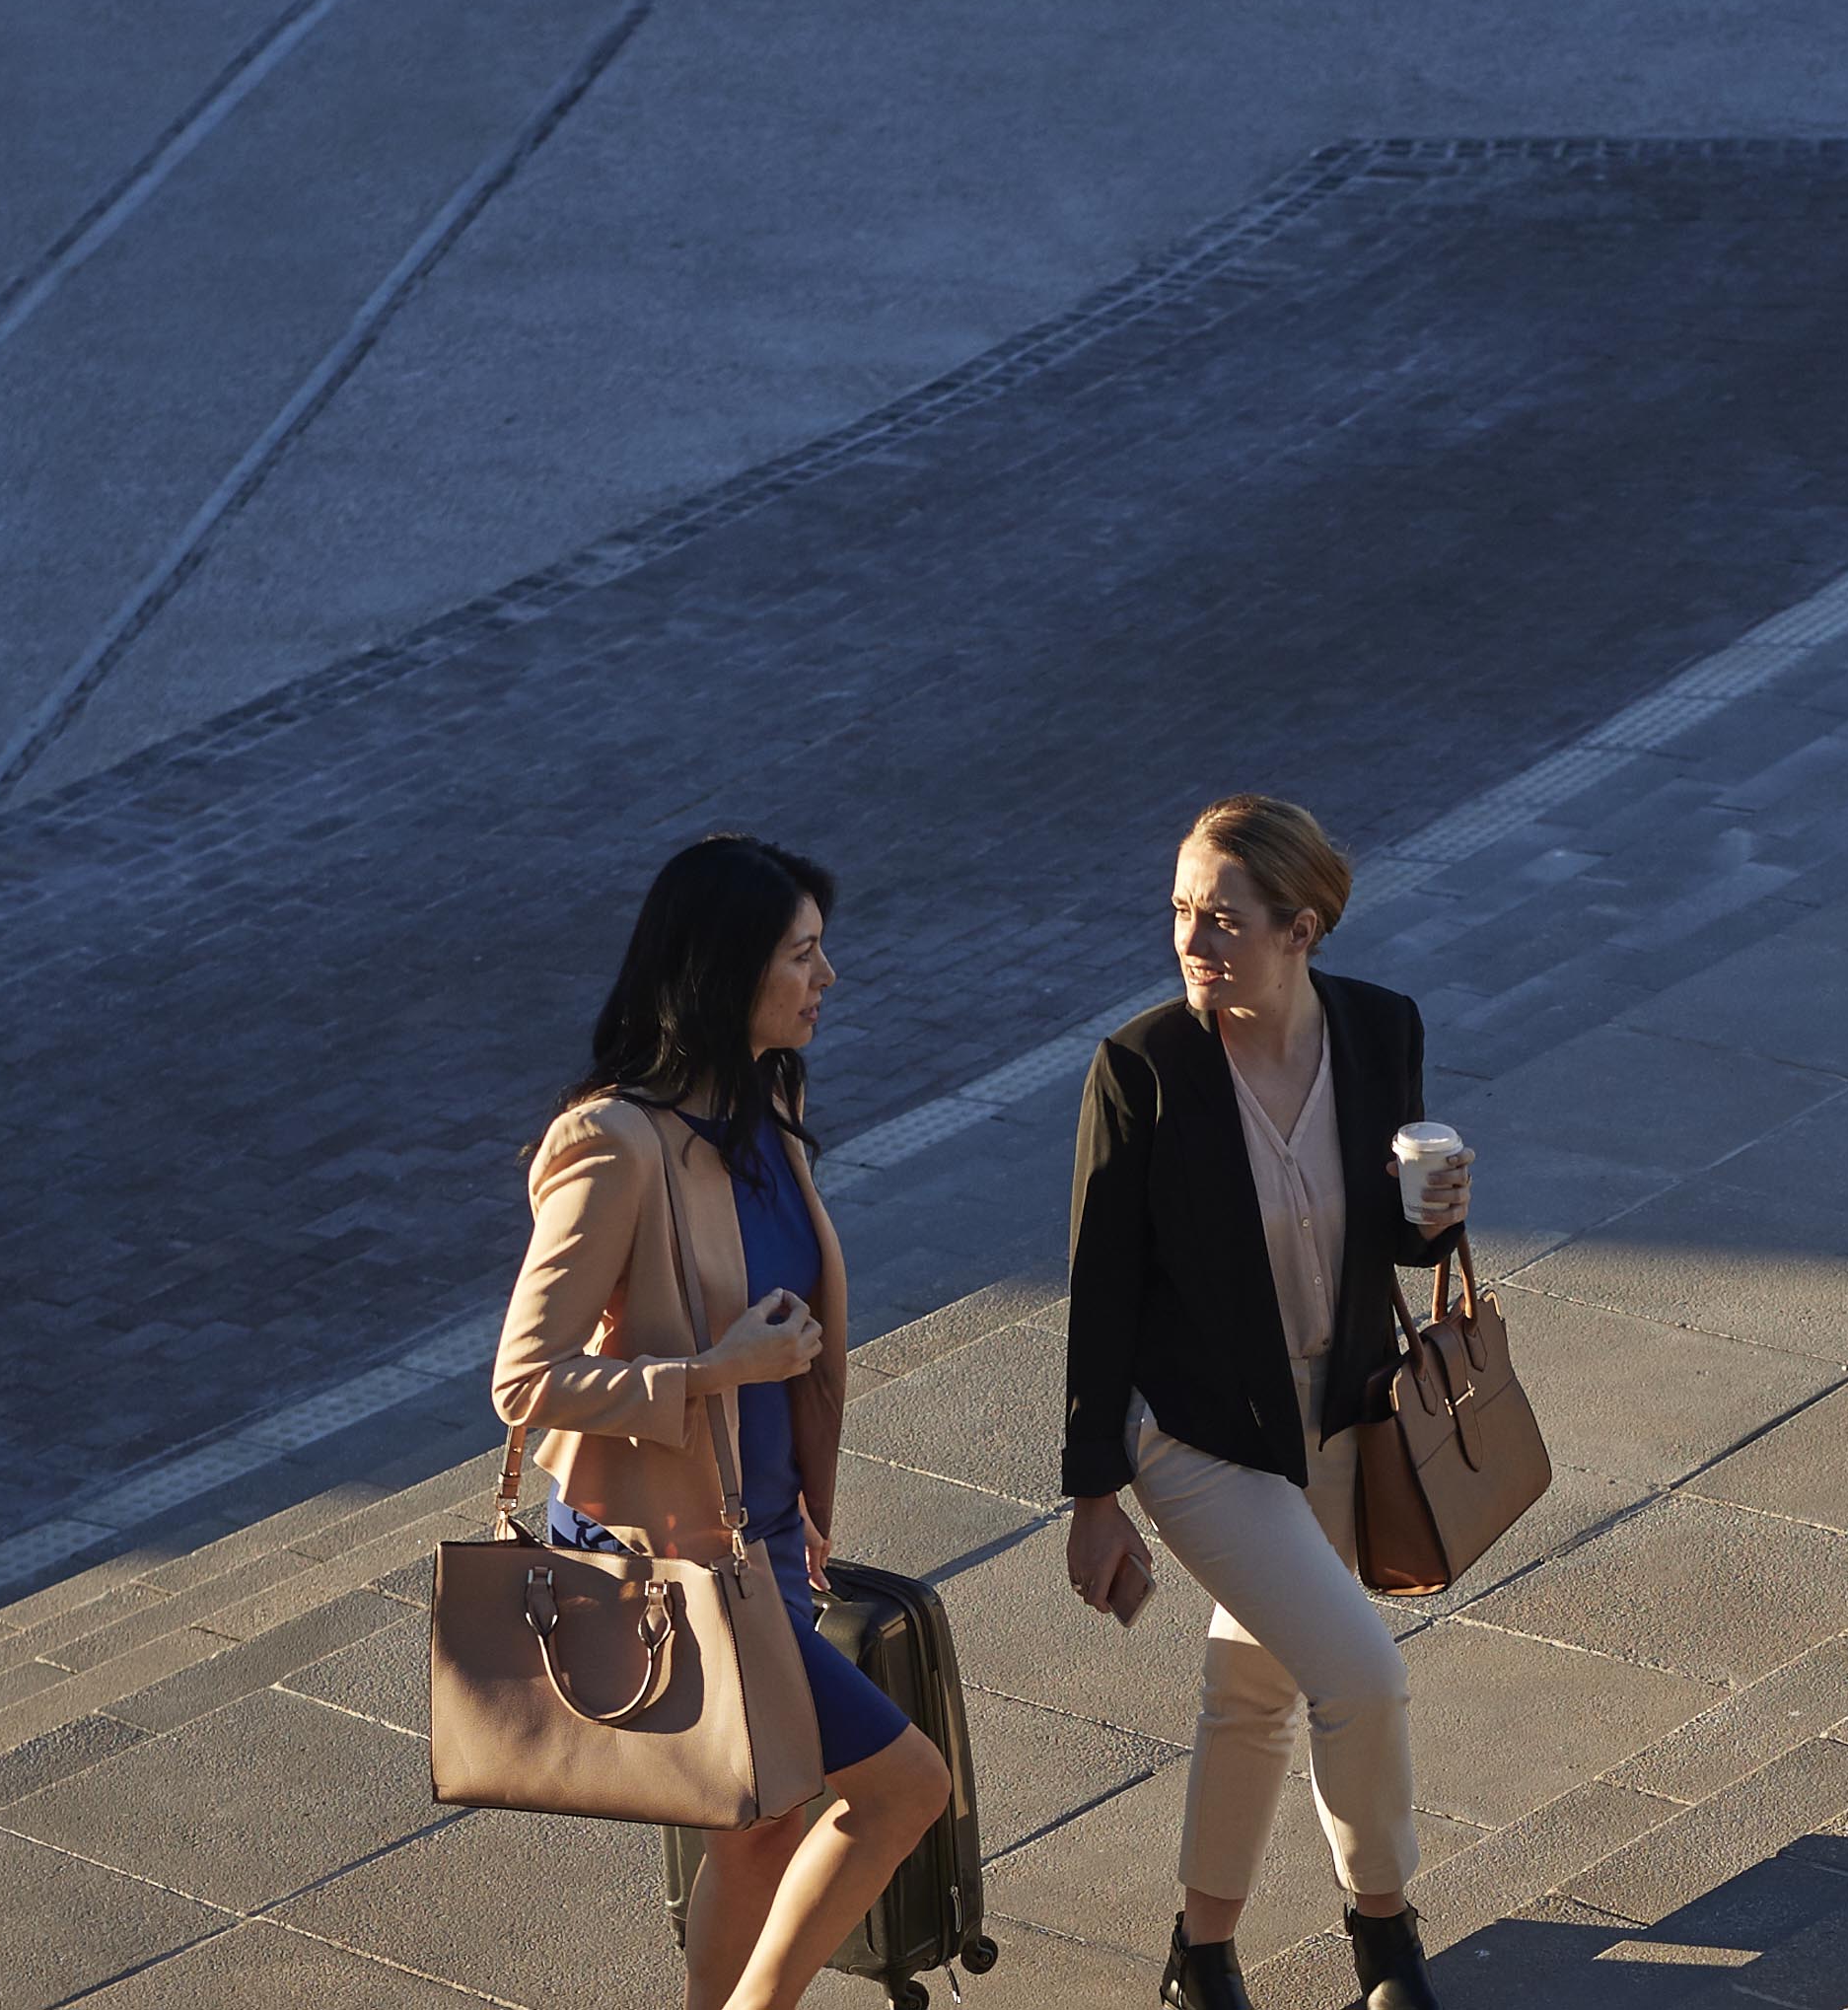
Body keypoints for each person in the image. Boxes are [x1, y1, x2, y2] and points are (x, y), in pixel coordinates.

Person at [487, 835, 954, 2010]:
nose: (826, 976)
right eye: (801, 954)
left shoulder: (764, 1109)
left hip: (760, 1538)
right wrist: (710, 1368)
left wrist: (797, 1493)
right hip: (675, 1555)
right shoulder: (613, 1143)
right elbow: (523, 1378)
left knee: (760, 1821)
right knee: (903, 1787)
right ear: (727, 970)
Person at [1055, 796, 1472, 2010]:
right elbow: (1100, 1290)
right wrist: (1093, 1492)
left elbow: (1392, 1243)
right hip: (1197, 1434)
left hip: (1339, 1410)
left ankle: (1202, 1954)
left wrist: (1435, 1215)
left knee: (1253, 1686)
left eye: (1223, 918)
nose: (1194, 937)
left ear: (1301, 929)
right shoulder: (1144, 1068)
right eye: (1182, 909)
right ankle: (1386, 1936)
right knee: (1361, 1676)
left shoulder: (1380, 1030)